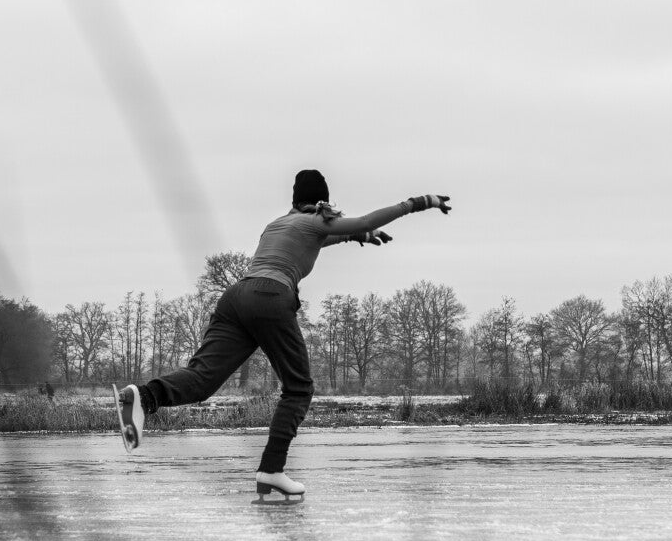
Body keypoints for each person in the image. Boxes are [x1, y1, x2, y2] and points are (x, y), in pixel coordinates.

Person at [116, 169, 450, 500]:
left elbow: (327, 237)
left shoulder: (279, 224)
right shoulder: (316, 220)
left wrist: (357, 236)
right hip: (271, 297)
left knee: (202, 378)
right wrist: (417, 203)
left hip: (237, 298)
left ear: (295, 199)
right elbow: (361, 221)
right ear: (322, 199)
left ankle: (144, 396)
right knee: (299, 388)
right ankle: (271, 470)